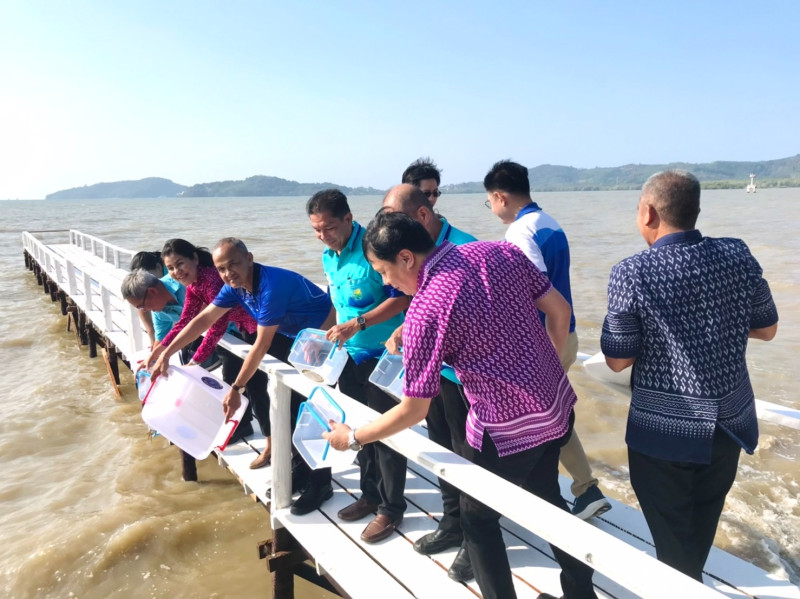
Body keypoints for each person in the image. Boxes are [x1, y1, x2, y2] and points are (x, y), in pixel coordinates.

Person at [325, 211, 598, 599]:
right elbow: (560, 311)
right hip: (556, 406)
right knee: (549, 499)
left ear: (406, 258)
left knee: (477, 519)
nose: (386, 282)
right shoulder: (497, 252)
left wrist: (353, 436)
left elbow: (414, 410)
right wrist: (546, 373)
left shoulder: (425, 311)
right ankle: (579, 594)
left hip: (505, 430)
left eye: (383, 271)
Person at [600, 170, 779, 581]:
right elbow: (767, 329)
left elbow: (617, 360)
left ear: (648, 212)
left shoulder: (632, 272)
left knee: (674, 552)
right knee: (697, 536)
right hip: (729, 426)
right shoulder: (737, 254)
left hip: (664, 436)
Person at [151, 238, 337, 508]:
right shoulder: (234, 287)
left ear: (249, 258)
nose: (228, 273)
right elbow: (204, 319)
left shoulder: (271, 286)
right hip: (294, 336)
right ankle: (300, 471)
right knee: (287, 411)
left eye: (233, 264)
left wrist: (237, 388)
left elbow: (261, 345)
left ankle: (321, 484)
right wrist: (166, 353)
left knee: (307, 413)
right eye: (221, 269)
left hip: (323, 336)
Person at [484, 159, 611, 521]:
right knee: (553, 414)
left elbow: (530, 290)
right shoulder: (549, 222)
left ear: (500, 196)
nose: (491, 209)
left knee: (540, 418)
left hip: (542, 342)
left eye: (489, 202)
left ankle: (575, 489)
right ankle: (583, 487)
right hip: (565, 334)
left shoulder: (519, 233)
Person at [382, 181, 477, 580]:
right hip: (431, 372)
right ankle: (452, 523)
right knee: (442, 450)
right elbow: (420, 303)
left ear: (422, 215)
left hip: (466, 379)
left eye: (395, 220)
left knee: (468, 458)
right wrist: (405, 329)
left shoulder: (466, 247)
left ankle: (475, 538)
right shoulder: (405, 252)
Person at [306, 189, 410, 542]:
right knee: (355, 428)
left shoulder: (373, 248)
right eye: (317, 230)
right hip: (348, 355)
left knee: (385, 432)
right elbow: (337, 304)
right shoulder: (328, 256)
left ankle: (391, 508)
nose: (323, 235)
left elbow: (401, 298)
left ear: (349, 219)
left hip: (382, 355)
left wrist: (359, 323)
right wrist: (322, 338)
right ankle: (370, 494)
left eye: (329, 227)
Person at [144, 239, 266, 468]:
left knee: (256, 389)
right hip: (245, 328)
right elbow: (185, 322)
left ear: (194, 258)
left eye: (180, 264)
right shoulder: (194, 285)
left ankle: (269, 444)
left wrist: (195, 361)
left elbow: (216, 327)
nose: (176, 272)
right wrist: (161, 350)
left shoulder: (211, 280)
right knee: (238, 383)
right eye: (170, 268)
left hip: (257, 328)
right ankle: (246, 428)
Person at [120, 267, 198, 481]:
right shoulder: (158, 309)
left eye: (141, 306)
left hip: (230, 331)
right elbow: (161, 338)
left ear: (152, 292)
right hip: (197, 339)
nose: (144, 310)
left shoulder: (185, 284)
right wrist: (151, 360)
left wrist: (164, 354)